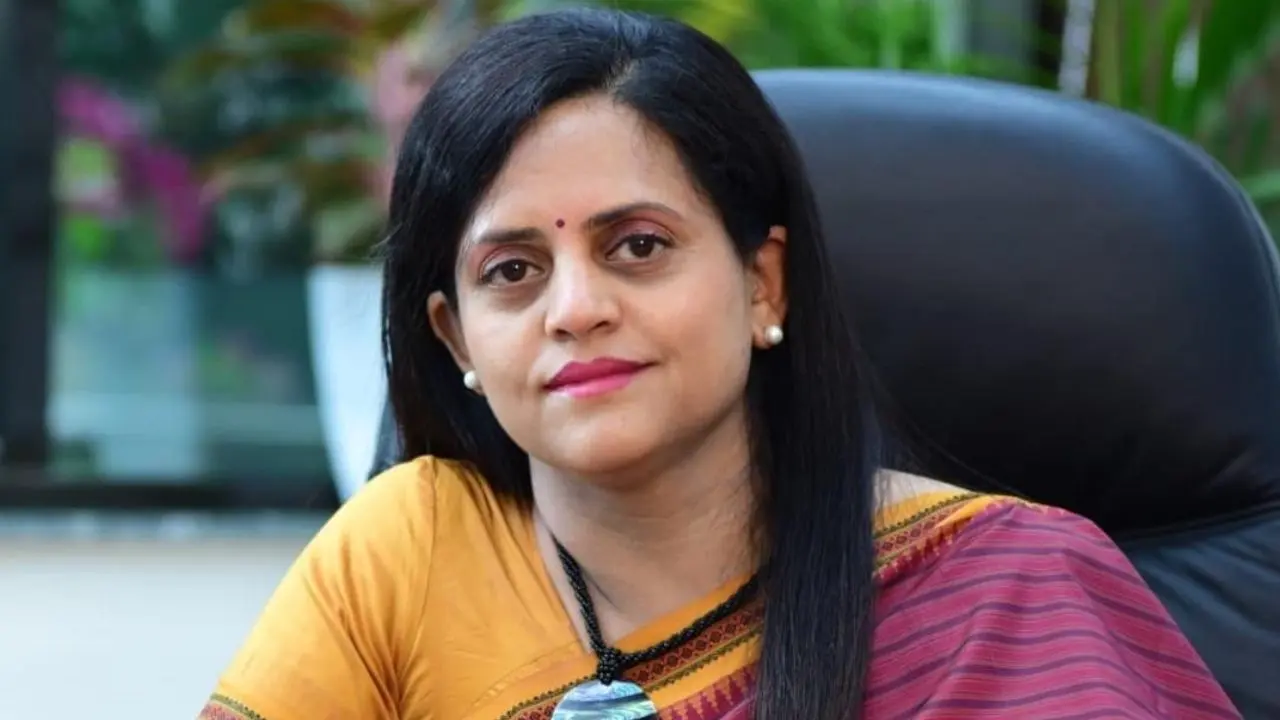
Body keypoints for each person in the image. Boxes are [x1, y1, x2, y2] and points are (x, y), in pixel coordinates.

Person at [201, 9, 1240, 720]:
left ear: (762, 284)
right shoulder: (409, 554)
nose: (576, 308)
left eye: (636, 246)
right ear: (457, 338)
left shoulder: (1009, 591)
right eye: (512, 271)